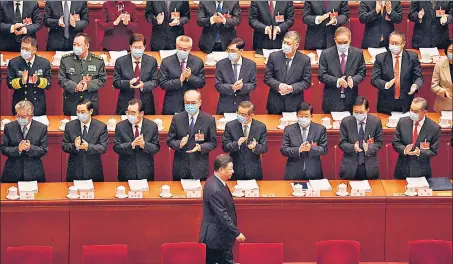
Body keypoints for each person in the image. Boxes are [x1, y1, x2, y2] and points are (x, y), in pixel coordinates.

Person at [199, 154, 246, 264]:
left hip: (220, 236)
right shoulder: (215, 189)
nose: (233, 171)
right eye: (230, 169)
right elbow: (222, 215)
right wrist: (237, 233)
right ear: (221, 169)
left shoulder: (214, 181)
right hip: (216, 238)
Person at [167, 90, 217, 180]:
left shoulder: (209, 120)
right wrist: (180, 144)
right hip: (180, 167)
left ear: (200, 103)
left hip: (199, 168)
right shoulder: (177, 118)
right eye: (187, 103)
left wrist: (200, 147)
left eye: (193, 103)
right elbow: (170, 140)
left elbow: (213, 142)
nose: (190, 106)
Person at [371, 31, 424, 115]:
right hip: (386, 103)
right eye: (391, 43)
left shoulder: (412, 57)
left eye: (396, 43)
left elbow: (419, 77)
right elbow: (374, 79)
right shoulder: (380, 58)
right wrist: (386, 84)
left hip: (406, 102)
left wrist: (415, 85)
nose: (393, 46)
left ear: (403, 44)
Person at [318, 27, 366, 113]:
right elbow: (321, 75)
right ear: (335, 40)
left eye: (345, 42)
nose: (342, 45)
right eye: (339, 42)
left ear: (350, 39)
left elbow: (362, 72)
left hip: (351, 98)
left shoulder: (358, 53)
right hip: (331, 99)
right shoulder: (326, 54)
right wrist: (337, 81)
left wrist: (353, 80)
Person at [58, 33, 107, 116]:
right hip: (71, 103)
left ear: (87, 45)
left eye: (79, 44)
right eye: (74, 44)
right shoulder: (66, 60)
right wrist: (75, 86)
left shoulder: (98, 61)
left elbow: (102, 80)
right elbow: (61, 79)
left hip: (90, 103)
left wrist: (88, 85)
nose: (76, 47)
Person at [392, 97, 441, 179]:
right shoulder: (402, 122)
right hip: (402, 170)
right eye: (411, 110)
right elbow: (395, 142)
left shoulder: (434, 128)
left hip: (422, 172)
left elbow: (434, 151)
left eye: (415, 111)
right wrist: (404, 149)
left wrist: (419, 152)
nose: (412, 113)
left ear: (425, 112)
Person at [264, 31, 311, 114]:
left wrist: (291, 88)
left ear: (296, 45)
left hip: (294, 104)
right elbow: (267, 77)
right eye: (284, 42)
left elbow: (306, 82)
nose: (285, 45)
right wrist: (279, 85)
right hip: (275, 103)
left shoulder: (305, 60)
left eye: (288, 43)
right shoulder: (274, 56)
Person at [113, 99, 160, 182]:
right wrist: (131, 145)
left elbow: (156, 148)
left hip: (146, 171)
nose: (129, 115)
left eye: (133, 113)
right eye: (128, 112)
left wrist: (144, 144)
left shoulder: (152, 126)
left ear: (141, 113)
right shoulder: (120, 126)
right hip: (126, 171)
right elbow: (116, 147)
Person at [1, 101, 48, 183]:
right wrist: (18, 149)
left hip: (34, 172)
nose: (20, 118)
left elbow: (43, 150)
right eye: (18, 115)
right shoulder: (9, 127)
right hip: (12, 172)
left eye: (23, 116)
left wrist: (30, 148)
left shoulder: (41, 128)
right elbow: (3, 148)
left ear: (31, 116)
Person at [62, 99, 108, 182]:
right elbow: (64, 145)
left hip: (93, 170)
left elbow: (103, 147)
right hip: (74, 170)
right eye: (78, 111)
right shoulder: (70, 126)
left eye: (83, 112)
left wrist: (88, 147)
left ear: (90, 111)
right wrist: (74, 146)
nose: (80, 114)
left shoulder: (101, 127)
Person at [339, 96, 383, 180]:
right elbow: (342, 143)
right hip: (349, 167)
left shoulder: (376, 122)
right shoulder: (346, 122)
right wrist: (353, 147)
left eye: (361, 112)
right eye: (355, 112)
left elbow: (379, 143)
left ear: (367, 110)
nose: (358, 114)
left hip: (369, 167)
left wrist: (369, 147)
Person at [113, 34, 159, 115]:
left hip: (146, 103)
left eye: (140, 47)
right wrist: (128, 83)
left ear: (144, 47)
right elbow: (116, 82)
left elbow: (155, 81)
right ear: (130, 47)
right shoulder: (120, 61)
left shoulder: (152, 61)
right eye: (135, 47)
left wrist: (144, 85)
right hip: (125, 103)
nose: (137, 49)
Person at [280, 102, 328, 180]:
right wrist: (298, 150)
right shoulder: (289, 129)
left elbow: (324, 149)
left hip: (314, 172)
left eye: (306, 116)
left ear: (311, 116)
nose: (303, 118)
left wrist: (311, 149)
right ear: (296, 115)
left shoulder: (320, 129)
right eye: (301, 116)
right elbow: (283, 149)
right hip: (293, 172)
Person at [159, 36, 206, 115]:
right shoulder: (166, 62)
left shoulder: (198, 62)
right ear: (176, 46)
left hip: (192, 104)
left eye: (185, 49)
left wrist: (190, 77)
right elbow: (163, 84)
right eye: (180, 48)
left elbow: (201, 83)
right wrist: (179, 81)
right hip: (172, 104)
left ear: (190, 49)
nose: (182, 51)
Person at [222, 101, 267, 180]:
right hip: (235, 170)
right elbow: (225, 146)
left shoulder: (260, 127)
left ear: (251, 115)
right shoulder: (230, 126)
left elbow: (264, 147)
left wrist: (255, 147)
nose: (239, 116)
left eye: (243, 114)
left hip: (254, 170)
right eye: (238, 113)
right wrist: (237, 143)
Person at [6, 36, 51, 116]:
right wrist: (21, 81)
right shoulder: (14, 63)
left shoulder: (44, 63)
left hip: (37, 106)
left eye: (27, 49)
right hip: (19, 104)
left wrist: (38, 81)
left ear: (34, 50)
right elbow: (9, 84)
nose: (23, 51)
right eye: (22, 48)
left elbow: (48, 85)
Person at [215, 38, 256, 114]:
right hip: (225, 106)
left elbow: (253, 85)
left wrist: (242, 86)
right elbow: (218, 85)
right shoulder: (221, 64)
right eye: (228, 50)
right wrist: (232, 87)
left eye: (233, 51)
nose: (230, 53)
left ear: (241, 51)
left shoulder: (251, 65)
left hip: (244, 107)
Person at [431, 41, 453, 112]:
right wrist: (444, 92)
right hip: (444, 105)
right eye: (451, 51)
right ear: (446, 52)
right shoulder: (440, 63)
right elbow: (434, 86)